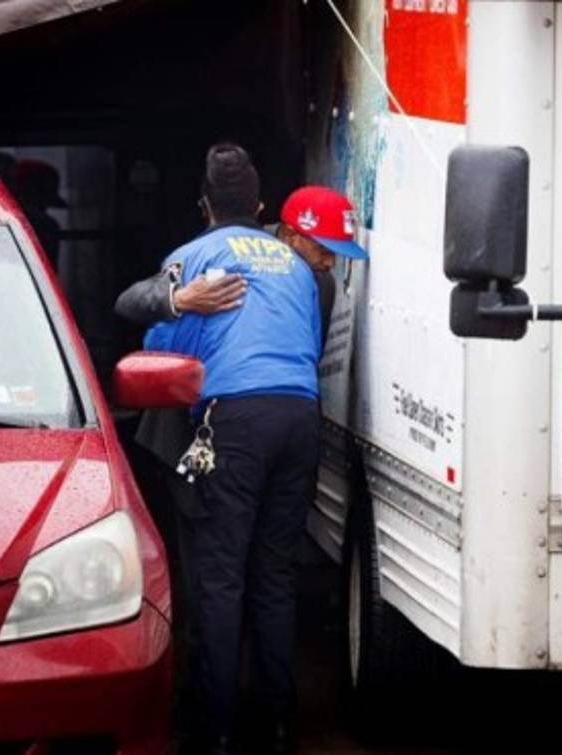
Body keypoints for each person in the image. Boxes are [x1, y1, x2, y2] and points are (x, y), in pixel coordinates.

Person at [123, 145, 364, 755]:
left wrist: (181, 308)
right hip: (300, 418)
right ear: (260, 207)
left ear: (203, 205)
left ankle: (216, 728)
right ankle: (277, 724)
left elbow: (163, 346)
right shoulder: (297, 266)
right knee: (274, 575)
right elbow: (304, 343)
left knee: (220, 575)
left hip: (235, 422)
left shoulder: (195, 257)